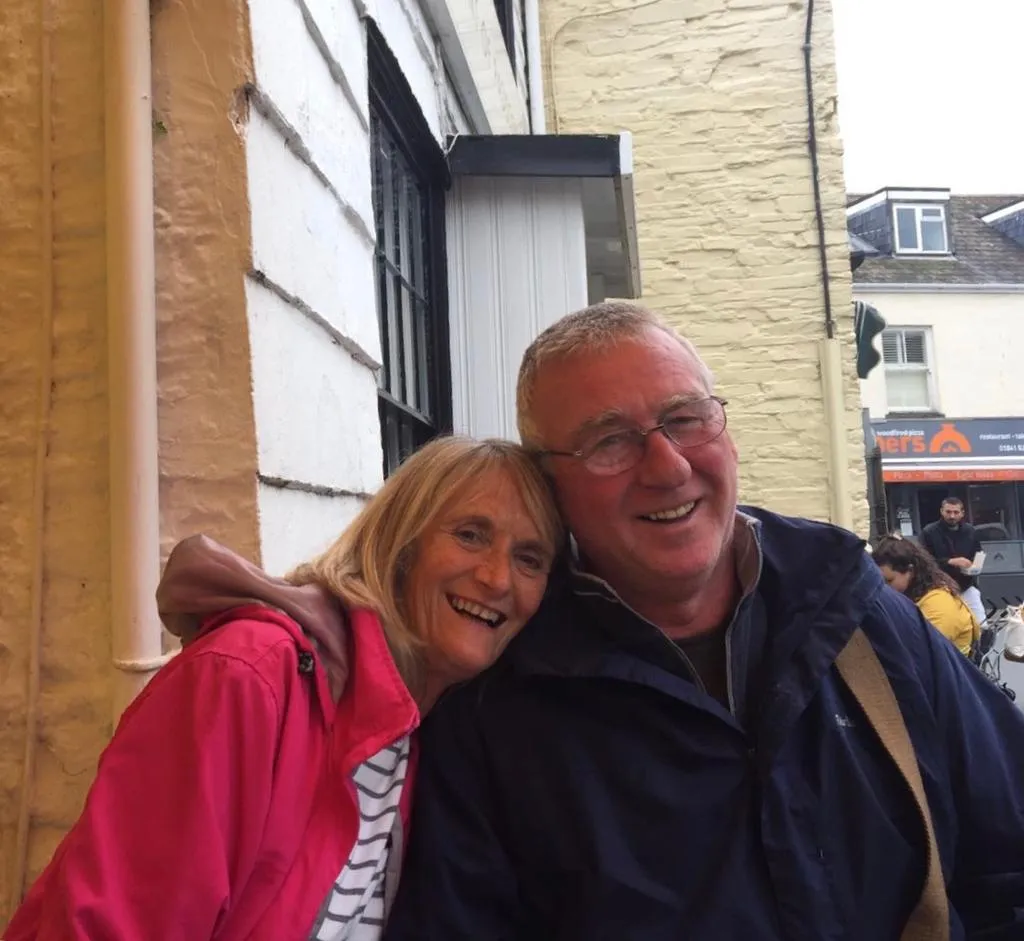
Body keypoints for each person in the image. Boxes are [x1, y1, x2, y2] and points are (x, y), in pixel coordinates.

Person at [383, 303, 1024, 941]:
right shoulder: (497, 704)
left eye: (685, 420)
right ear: (549, 487)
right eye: (609, 441)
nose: (668, 467)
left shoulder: (859, 616)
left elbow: (1007, 861)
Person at [5, 437, 563, 941]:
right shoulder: (247, 678)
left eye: (529, 559)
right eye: (470, 535)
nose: (496, 578)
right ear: (401, 547)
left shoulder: (418, 723)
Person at [872, 534, 981, 657]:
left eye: (889, 580)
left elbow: (922, 655)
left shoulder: (939, 605)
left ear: (910, 571)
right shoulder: (916, 594)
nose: (883, 587)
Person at [920, 497, 987, 627]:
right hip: (940, 588)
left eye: (956, 512)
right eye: (948, 512)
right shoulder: (929, 532)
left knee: (981, 625)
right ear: (941, 511)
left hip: (966, 586)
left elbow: (977, 553)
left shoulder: (970, 531)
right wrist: (950, 561)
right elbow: (923, 561)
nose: (952, 516)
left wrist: (974, 566)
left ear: (962, 513)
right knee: (945, 627)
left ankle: (980, 646)